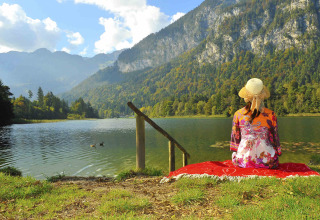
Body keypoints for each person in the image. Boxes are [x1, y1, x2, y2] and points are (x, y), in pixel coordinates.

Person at [230, 78, 281, 169]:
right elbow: (274, 137)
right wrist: (278, 151)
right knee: (272, 156)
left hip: (244, 160)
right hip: (267, 161)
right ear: (262, 95)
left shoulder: (238, 114)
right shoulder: (270, 114)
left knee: (237, 157)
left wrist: (236, 150)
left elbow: (235, 137)